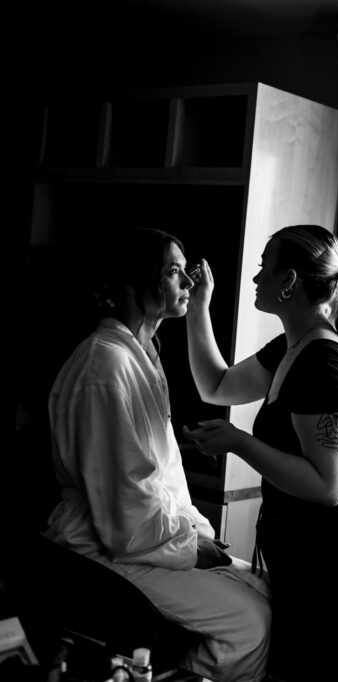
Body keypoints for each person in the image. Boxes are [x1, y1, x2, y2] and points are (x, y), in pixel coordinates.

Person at [44, 228, 271, 681]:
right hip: (101, 546)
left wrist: (196, 534)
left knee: (263, 589)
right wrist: (190, 548)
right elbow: (123, 507)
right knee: (250, 623)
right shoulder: (106, 366)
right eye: (173, 272)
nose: (187, 283)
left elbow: (163, 476)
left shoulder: (143, 358)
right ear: (134, 283)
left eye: (185, 271)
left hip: (144, 533)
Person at [183, 224, 338, 681]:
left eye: (265, 267)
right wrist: (199, 307)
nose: (256, 277)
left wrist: (239, 443)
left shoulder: (323, 364)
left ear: (290, 281)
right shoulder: (292, 347)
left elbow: (328, 486)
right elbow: (215, 385)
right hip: (310, 558)